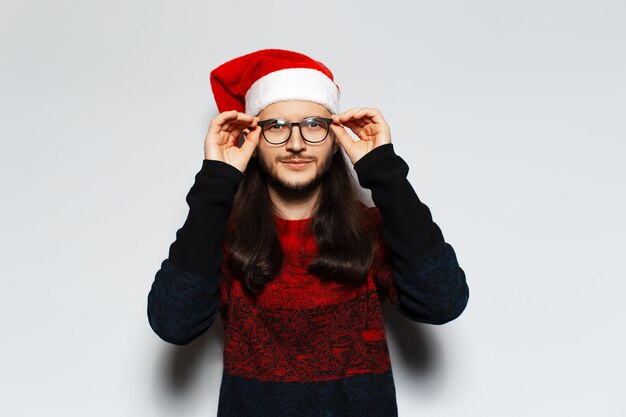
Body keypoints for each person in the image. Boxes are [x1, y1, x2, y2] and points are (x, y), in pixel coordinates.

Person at [147, 49, 469, 417]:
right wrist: (216, 182)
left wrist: (384, 170)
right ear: (252, 142)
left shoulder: (372, 230)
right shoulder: (221, 237)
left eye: (313, 124)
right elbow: (173, 323)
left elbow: (443, 302)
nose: (296, 143)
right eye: (277, 126)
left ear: (336, 140)